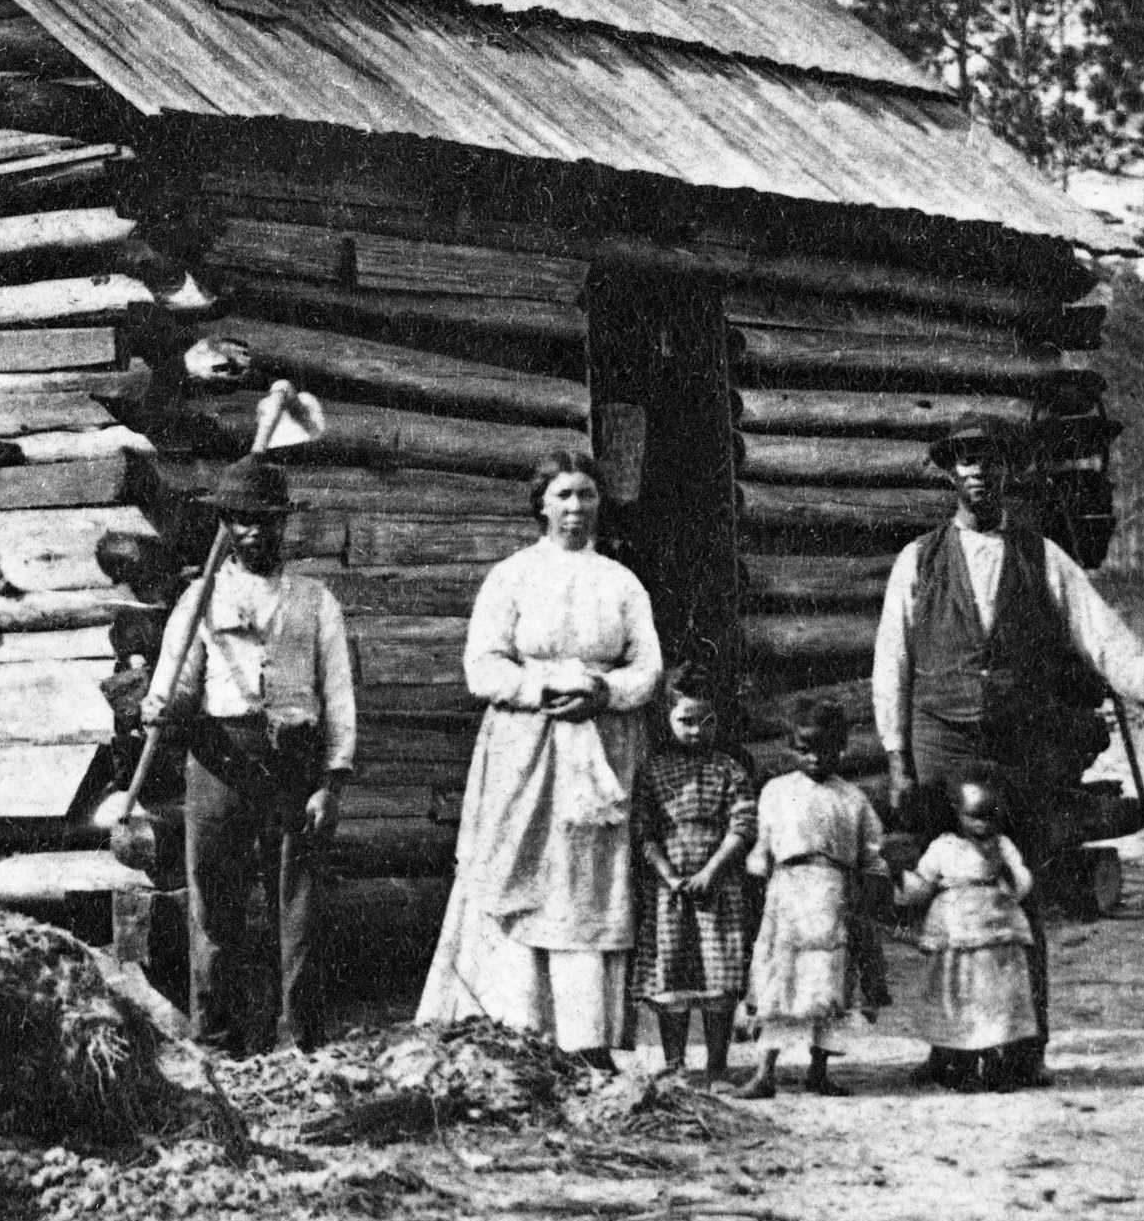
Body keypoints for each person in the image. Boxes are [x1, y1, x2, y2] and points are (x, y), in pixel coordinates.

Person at [871, 415, 1144, 1087]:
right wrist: (897, 757)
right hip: (941, 742)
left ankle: (1025, 1048)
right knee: (945, 901)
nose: (977, 472)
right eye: (964, 460)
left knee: (1021, 899)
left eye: (989, 460)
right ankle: (948, 1046)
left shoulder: (1041, 555)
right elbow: (891, 660)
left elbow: (1101, 633)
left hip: (1017, 749)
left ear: (1006, 472)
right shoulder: (918, 559)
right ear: (948, 472)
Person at [417, 449, 664, 1065]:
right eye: (563, 495)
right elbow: (482, 666)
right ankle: (508, 1022)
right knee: (518, 871)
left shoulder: (620, 581)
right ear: (541, 505)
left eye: (586, 494)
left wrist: (603, 691)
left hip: (600, 750)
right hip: (524, 749)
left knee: (585, 883)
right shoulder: (513, 576)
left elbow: (649, 668)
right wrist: (542, 688)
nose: (575, 507)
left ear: (600, 503)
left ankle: (584, 1039)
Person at [142, 455, 357, 1054]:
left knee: (299, 903)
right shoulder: (200, 599)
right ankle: (216, 1036)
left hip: (294, 762)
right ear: (226, 526)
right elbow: (178, 683)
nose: (254, 531)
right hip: (219, 760)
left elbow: (338, 698)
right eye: (241, 520)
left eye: (266, 520)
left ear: (284, 525)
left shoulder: (316, 603)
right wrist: (161, 706)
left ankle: (300, 1036)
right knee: (215, 906)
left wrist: (331, 782)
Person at [742, 701, 892, 1100]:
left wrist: (872, 893)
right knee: (779, 980)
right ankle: (764, 1072)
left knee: (828, 980)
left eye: (824, 749)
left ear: (840, 748)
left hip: (832, 893)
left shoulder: (852, 799)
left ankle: (819, 1070)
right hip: (787, 891)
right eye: (804, 748)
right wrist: (759, 877)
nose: (814, 758)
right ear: (791, 748)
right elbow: (763, 846)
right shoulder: (776, 791)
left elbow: (871, 854)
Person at [627, 671, 758, 1081]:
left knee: (718, 978)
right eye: (686, 720)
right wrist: (667, 875)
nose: (696, 730)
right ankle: (674, 1063)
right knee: (673, 974)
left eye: (706, 721)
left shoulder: (729, 770)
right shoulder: (653, 770)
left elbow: (743, 826)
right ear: (667, 718)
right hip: (671, 891)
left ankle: (717, 1066)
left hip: (719, 888)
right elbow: (644, 831)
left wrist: (712, 871)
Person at [899, 768, 1040, 1089]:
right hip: (956, 935)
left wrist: (1006, 871)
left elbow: (1021, 884)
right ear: (958, 814)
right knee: (956, 996)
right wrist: (902, 882)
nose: (983, 825)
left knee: (992, 1000)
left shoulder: (1003, 847)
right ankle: (952, 1062)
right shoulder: (944, 847)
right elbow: (922, 884)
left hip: (995, 937)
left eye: (991, 818)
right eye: (975, 817)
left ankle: (993, 1063)